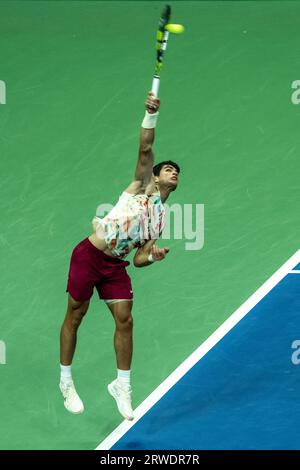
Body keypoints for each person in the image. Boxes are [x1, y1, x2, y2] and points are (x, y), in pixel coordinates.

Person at [59, 91, 180, 420]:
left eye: (176, 172)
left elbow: (138, 259)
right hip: (89, 255)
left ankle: (122, 386)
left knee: (125, 320)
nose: (173, 173)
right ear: (154, 176)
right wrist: (150, 114)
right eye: (168, 169)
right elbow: (144, 148)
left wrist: (153, 256)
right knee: (75, 315)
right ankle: (66, 380)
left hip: (115, 267)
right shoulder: (140, 186)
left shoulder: (160, 219)